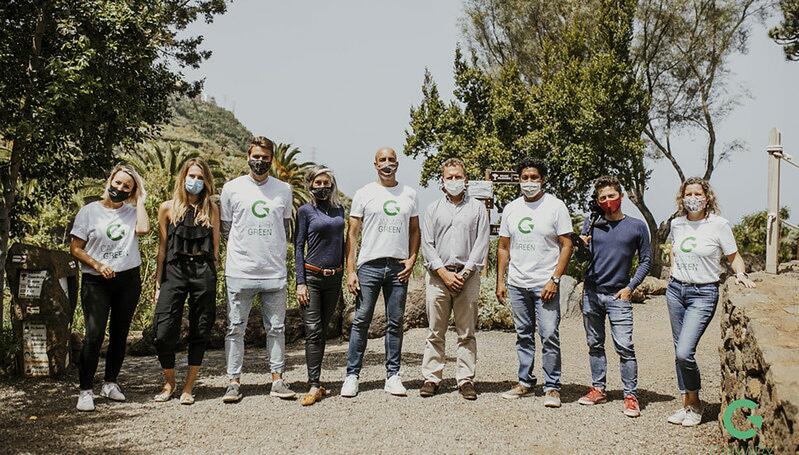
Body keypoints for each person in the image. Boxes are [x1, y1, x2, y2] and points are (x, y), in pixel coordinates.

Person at [665, 177, 755, 427]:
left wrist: (740, 274)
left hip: (703, 294)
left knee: (685, 352)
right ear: (682, 198)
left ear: (707, 198)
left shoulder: (718, 224)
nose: (693, 198)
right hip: (675, 291)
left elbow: (733, 256)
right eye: (688, 194)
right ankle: (687, 403)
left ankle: (695, 404)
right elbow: (674, 250)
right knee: (679, 351)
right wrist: (672, 270)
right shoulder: (677, 224)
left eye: (698, 194)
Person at [219, 136, 296, 403]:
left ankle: (277, 380)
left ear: (272, 159)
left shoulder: (284, 189)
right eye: (256, 157)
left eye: (265, 158)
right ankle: (233, 382)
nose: (260, 162)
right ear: (248, 157)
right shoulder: (231, 188)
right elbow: (227, 228)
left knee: (276, 328)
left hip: (273, 272)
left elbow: (283, 227)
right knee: (235, 328)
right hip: (240, 271)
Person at [341, 147, 421, 397]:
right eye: (382, 160)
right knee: (361, 320)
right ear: (375, 164)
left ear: (397, 163)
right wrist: (351, 271)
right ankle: (352, 376)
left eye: (391, 160)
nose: (387, 164)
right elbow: (352, 234)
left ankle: (393, 376)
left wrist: (412, 259)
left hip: (398, 267)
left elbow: (415, 230)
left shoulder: (409, 194)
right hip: (369, 266)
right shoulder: (364, 193)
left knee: (395, 322)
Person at [70, 164, 149, 412]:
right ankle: (85, 390)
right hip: (96, 282)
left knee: (119, 334)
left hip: (128, 280)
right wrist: (97, 265)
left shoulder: (132, 212)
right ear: (110, 181)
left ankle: (110, 383)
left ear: (132, 191)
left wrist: (141, 199)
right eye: (118, 183)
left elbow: (143, 229)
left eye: (127, 186)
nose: (120, 188)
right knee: (94, 335)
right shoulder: (89, 212)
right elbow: (75, 249)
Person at [495, 157, 573, 408]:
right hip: (518, 283)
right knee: (523, 335)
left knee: (549, 334)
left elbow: (567, 245)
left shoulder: (555, 206)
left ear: (543, 179)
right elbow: (503, 247)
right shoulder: (511, 208)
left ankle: (552, 387)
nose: (529, 182)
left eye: (534, 177)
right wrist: (501, 281)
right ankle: (525, 383)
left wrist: (554, 279)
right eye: (525, 178)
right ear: (519, 180)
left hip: (545, 284)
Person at [576, 176, 651, 418]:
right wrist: (581, 245)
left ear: (621, 196)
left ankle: (630, 395)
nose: (608, 201)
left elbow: (646, 260)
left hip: (619, 295)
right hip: (592, 293)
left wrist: (631, 287)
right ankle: (598, 389)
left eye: (612, 196)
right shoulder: (591, 223)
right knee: (594, 344)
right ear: (597, 201)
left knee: (625, 346)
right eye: (603, 198)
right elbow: (581, 259)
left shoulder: (637, 226)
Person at [419, 158, 489, 400]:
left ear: (465, 179)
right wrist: (444, 273)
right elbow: (427, 245)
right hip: (438, 276)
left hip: (467, 277)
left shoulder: (478, 209)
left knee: (466, 332)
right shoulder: (432, 209)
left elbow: (481, 243)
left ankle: (465, 379)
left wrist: (465, 273)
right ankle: (431, 377)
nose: (454, 180)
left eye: (458, 176)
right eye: (449, 177)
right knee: (435, 331)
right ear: (442, 181)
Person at [152, 158, 220, 405]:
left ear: (207, 182)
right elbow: (162, 248)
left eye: (200, 177)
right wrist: (157, 283)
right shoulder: (166, 208)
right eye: (192, 176)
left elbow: (215, 247)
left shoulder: (211, 209)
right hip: (174, 270)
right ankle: (169, 382)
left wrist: (213, 276)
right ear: (183, 178)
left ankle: (189, 386)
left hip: (203, 271)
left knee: (200, 328)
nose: (195, 181)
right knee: (162, 330)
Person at [294, 165, 346, 406]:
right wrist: (300, 282)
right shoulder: (305, 211)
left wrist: (347, 272)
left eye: (327, 183)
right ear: (310, 185)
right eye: (318, 183)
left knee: (322, 330)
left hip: (334, 278)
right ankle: (313, 384)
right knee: (313, 330)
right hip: (312, 277)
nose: (323, 187)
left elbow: (342, 243)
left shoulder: (339, 209)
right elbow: (298, 246)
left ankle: (317, 380)